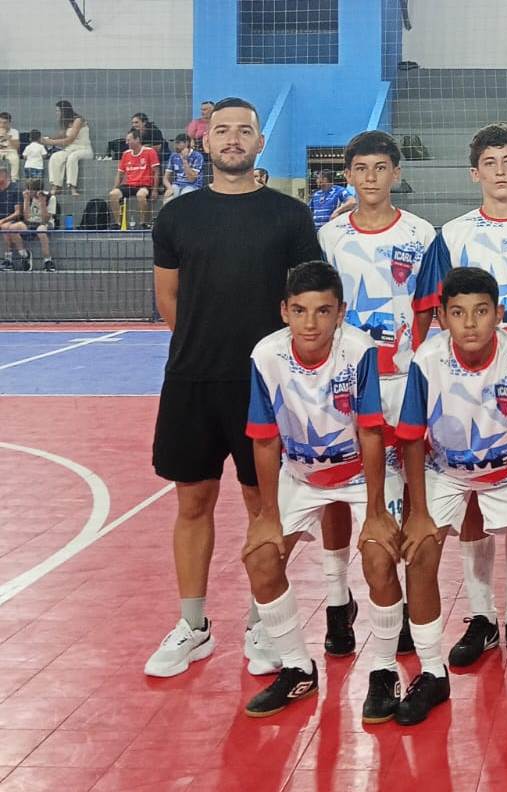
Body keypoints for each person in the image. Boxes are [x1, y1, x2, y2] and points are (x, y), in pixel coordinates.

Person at [144, 96, 323, 679]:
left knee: (263, 505)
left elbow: (306, 298)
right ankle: (193, 625)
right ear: (206, 140)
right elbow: (168, 297)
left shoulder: (290, 217)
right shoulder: (177, 216)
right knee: (192, 502)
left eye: (244, 130)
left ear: (259, 143)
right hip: (192, 381)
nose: (233, 139)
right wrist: (204, 345)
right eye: (222, 130)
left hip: (264, 387)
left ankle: (262, 621)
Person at [413, 123, 507, 670]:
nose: (500, 171)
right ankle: (481, 617)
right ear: (474, 173)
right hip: (462, 384)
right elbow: (434, 305)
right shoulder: (452, 234)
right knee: (472, 499)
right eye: (490, 163)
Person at [395, 266, 507, 729]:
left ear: (499, 314)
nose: (469, 323)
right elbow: (411, 438)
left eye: (481, 311)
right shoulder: (427, 360)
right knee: (419, 552)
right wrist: (419, 513)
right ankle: (432, 673)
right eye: (458, 313)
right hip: (445, 471)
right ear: (443, 317)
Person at [242, 260, 406, 721]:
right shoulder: (266, 356)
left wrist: (376, 511)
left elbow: (371, 431)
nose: (310, 323)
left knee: (378, 557)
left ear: (341, 313)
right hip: (302, 475)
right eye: (299, 310)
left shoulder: (359, 351)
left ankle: (384, 670)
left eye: (323, 311)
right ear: (284, 311)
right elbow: (264, 438)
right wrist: (267, 515)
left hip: (363, 472)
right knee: (260, 557)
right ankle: (298, 668)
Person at [317, 129, 435, 660]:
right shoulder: (329, 236)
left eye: (380, 168)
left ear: (396, 173)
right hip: (345, 384)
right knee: (338, 488)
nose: (370, 177)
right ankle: (337, 599)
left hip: (404, 383)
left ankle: (405, 602)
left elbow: (427, 306)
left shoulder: (421, 233)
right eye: (361, 168)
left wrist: (412, 359)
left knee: (406, 492)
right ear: (348, 175)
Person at [109, 129, 159, 229]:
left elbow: (156, 172)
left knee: (141, 195)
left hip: (145, 185)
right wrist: (115, 187)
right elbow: (120, 174)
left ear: (137, 139)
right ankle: (118, 223)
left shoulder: (150, 152)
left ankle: (143, 223)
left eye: (129, 140)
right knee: (113, 194)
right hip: (130, 185)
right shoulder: (126, 154)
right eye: (126, 140)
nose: (127, 142)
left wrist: (155, 190)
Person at [6, 177, 57, 272]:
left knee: (41, 230)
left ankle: (47, 260)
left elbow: (45, 219)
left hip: (45, 224)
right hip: (31, 223)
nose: (29, 192)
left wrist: (42, 202)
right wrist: (26, 201)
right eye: (28, 189)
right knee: (12, 228)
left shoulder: (50, 198)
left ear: (38, 190)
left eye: (32, 190)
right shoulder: (28, 197)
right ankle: (25, 255)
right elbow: (26, 218)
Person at [45, 100, 92, 196]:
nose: (57, 113)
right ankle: (56, 186)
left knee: (72, 157)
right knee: (55, 157)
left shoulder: (78, 120)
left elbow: (70, 139)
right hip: (70, 149)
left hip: (84, 149)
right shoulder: (66, 122)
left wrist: (51, 142)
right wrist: (47, 139)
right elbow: (62, 135)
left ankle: (72, 187)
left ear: (64, 111)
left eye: (58, 111)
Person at [0, 166, 28, 271]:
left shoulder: (15, 189)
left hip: (15, 220)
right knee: (4, 226)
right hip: (2, 220)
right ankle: (9, 260)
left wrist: (3, 220)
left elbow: (17, 213)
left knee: (5, 227)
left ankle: (9, 260)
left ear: (4, 175)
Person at [163, 133, 204, 202]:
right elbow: (165, 178)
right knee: (168, 199)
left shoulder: (197, 156)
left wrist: (184, 160)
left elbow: (191, 179)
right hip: (177, 184)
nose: (175, 146)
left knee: (184, 196)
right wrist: (169, 188)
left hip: (193, 185)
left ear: (186, 143)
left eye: (178, 143)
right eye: (175, 143)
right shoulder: (174, 156)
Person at [0, 112, 19, 177]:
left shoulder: (14, 131)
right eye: (0, 122)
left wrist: (8, 138)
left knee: (15, 159)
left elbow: (16, 147)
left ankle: (14, 179)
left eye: (5, 123)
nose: (2, 125)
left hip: (11, 151)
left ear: (9, 123)